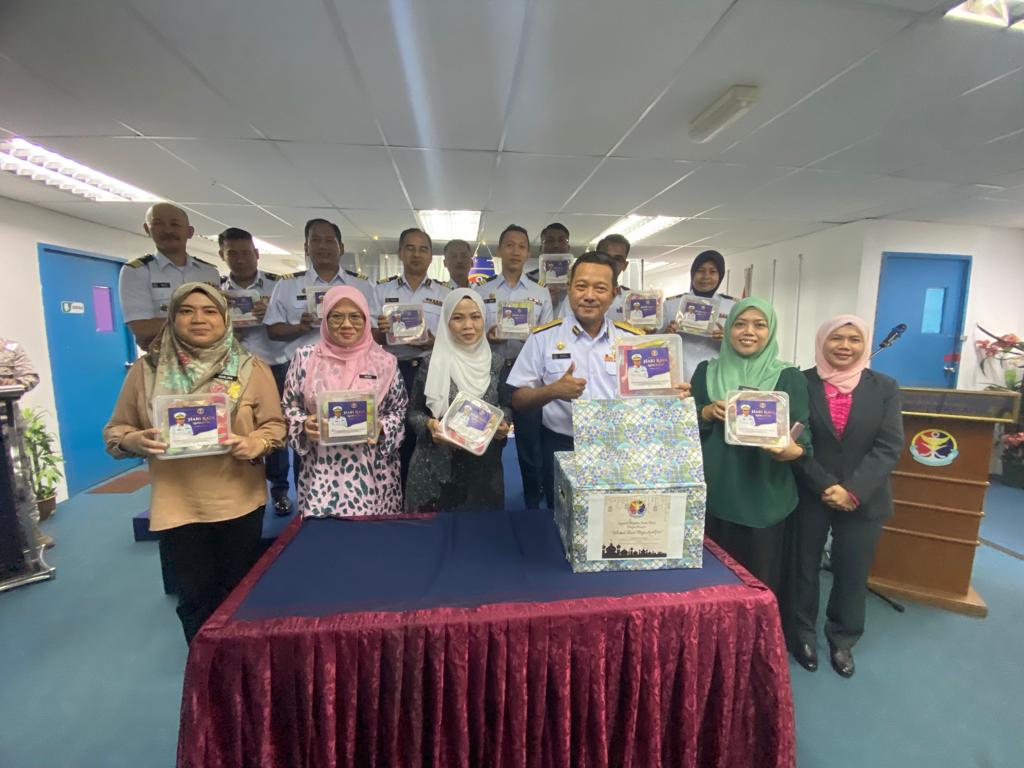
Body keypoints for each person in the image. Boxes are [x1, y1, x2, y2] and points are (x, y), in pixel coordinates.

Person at [103, 283, 285, 644]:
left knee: (240, 599)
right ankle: (204, 672)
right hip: (178, 505)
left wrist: (255, 443)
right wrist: (133, 441)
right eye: (186, 311)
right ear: (172, 319)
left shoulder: (251, 369)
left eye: (209, 310)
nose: (198, 319)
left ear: (225, 318)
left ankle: (240, 670)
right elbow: (116, 431)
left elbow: (275, 426)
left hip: (238, 501)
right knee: (195, 600)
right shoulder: (146, 371)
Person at [509, 252, 689, 510]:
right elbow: (518, 399)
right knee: (560, 513)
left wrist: (673, 393)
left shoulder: (633, 341)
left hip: (619, 444)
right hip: (561, 444)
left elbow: (656, 397)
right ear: (569, 288)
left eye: (600, 288)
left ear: (614, 293)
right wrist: (553, 391)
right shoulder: (543, 338)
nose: (589, 295)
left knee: (613, 514)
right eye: (581, 286)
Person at [791, 315, 903, 678]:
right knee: (803, 566)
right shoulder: (800, 382)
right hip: (810, 490)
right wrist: (826, 485)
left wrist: (852, 490)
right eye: (836, 338)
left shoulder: (884, 387)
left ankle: (843, 636)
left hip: (864, 496)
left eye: (854, 339)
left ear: (864, 344)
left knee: (852, 569)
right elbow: (794, 439)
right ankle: (802, 632)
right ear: (821, 341)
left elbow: (889, 446)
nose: (844, 346)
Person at [690, 297, 811, 598]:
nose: (749, 332)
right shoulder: (706, 371)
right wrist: (706, 412)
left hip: (764, 496)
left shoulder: (788, 376)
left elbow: (803, 437)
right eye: (740, 324)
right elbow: (684, 427)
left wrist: (791, 449)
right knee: (713, 583)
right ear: (728, 328)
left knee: (758, 583)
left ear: (771, 331)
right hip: (714, 494)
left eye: (759, 325)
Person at [264, 218, 373, 496]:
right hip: (305, 373)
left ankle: (357, 496)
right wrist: (298, 328)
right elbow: (273, 330)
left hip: (354, 369)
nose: (323, 246)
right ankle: (308, 497)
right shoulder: (288, 285)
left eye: (329, 241)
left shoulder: (362, 285)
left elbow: (373, 330)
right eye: (316, 240)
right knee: (309, 436)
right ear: (306, 246)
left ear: (341, 247)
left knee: (356, 432)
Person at [282, 286, 407, 518]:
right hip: (321, 471)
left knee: (373, 534)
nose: (347, 324)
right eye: (337, 316)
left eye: (355, 316)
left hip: (372, 470)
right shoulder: (305, 358)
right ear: (325, 319)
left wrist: (382, 426)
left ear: (366, 320)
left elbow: (398, 410)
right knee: (325, 534)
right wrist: (304, 424)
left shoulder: (385, 361)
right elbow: (290, 408)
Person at [405, 289, 511, 512]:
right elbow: (414, 412)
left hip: (483, 471)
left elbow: (506, 406)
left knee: (481, 531)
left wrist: (503, 423)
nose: (468, 325)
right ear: (446, 322)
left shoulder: (497, 363)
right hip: (436, 468)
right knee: (433, 531)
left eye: (475, 317)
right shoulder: (432, 363)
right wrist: (430, 425)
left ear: (484, 319)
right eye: (458, 318)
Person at [474, 225, 553, 509]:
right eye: (509, 245)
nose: (515, 251)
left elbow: (547, 337)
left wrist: (534, 338)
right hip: (490, 371)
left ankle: (533, 500)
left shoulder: (540, 293)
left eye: (521, 246)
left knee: (530, 442)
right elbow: (469, 333)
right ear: (499, 250)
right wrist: (485, 336)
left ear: (528, 252)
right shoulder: (480, 291)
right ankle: (487, 500)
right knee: (487, 434)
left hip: (527, 374)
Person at [218, 227, 293, 515]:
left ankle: (279, 489)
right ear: (222, 255)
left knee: (275, 429)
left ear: (257, 254)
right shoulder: (216, 291)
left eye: (246, 253)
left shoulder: (279, 287)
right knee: (237, 427)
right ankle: (245, 491)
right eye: (232, 253)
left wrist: (271, 315)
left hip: (274, 367)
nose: (240, 259)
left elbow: (295, 324)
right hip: (232, 369)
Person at [372, 228, 451, 483]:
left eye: (423, 249)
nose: (416, 254)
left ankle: (430, 489)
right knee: (397, 430)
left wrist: (433, 341)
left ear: (430, 256)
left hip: (431, 369)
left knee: (430, 428)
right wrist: (382, 331)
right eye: (410, 248)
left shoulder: (445, 293)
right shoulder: (380, 291)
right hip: (393, 369)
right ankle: (398, 487)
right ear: (400, 253)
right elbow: (369, 336)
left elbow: (455, 338)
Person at [119, 203, 220, 349]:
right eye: (158, 223)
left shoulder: (209, 272)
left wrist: (165, 325)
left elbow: (220, 322)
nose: (167, 230)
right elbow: (143, 329)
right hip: (164, 359)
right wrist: (203, 324)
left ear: (189, 232)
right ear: (147, 229)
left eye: (175, 224)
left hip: (209, 356)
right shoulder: (136, 271)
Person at [1, 338, 51, 549]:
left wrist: (13, 383)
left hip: (8, 426)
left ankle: (31, 532)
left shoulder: (9, 348)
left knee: (20, 479)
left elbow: (30, 377)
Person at [664, 250, 736, 381]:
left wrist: (729, 339)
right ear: (693, 273)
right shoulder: (671, 305)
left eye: (713, 272)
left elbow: (744, 346)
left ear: (720, 275)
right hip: (679, 373)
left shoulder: (732, 307)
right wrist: (666, 334)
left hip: (716, 375)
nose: (706, 276)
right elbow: (653, 340)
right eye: (700, 271)